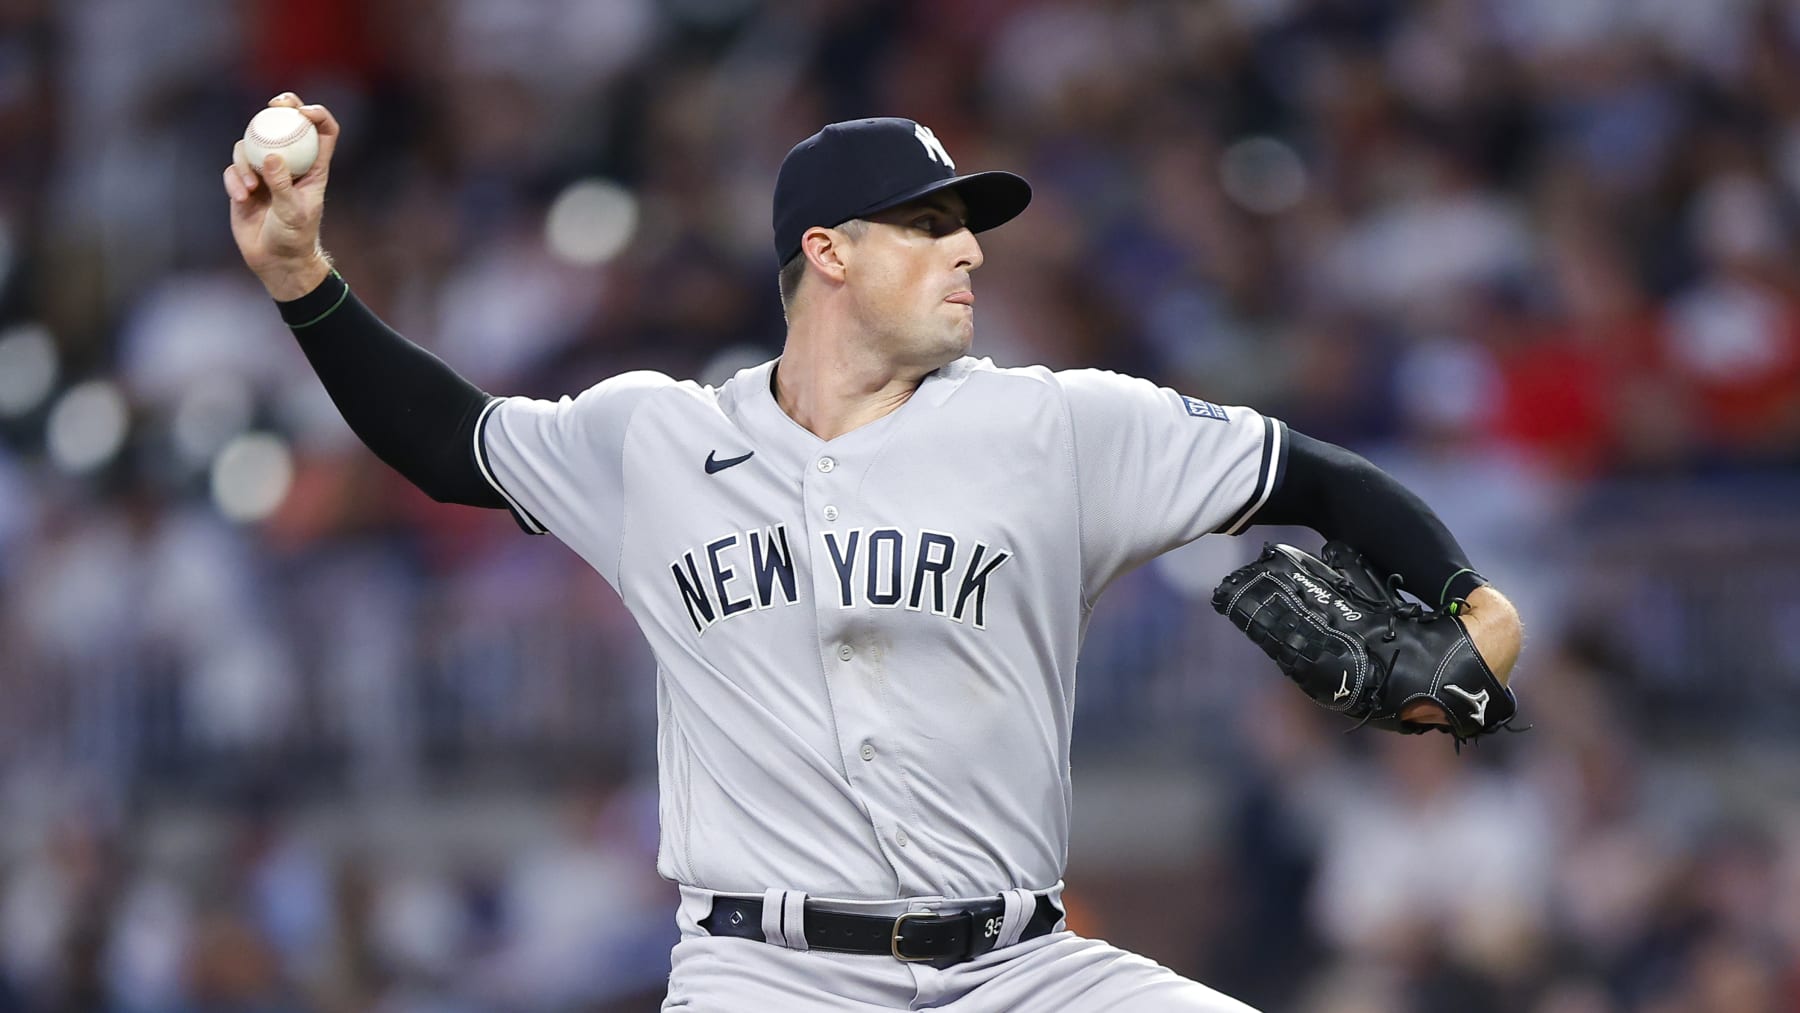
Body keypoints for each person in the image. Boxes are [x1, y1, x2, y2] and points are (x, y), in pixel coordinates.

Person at [224, 94, 1524, 1011]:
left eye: (969, 221)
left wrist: (1474, 606)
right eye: (924, 223)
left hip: (1021, 968)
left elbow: (1316, 476)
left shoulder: (1056, 423)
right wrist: (305, 284)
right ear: (828, 255)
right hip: (766, 974)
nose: (967, 246)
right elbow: (449, 443)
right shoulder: (658, 440)